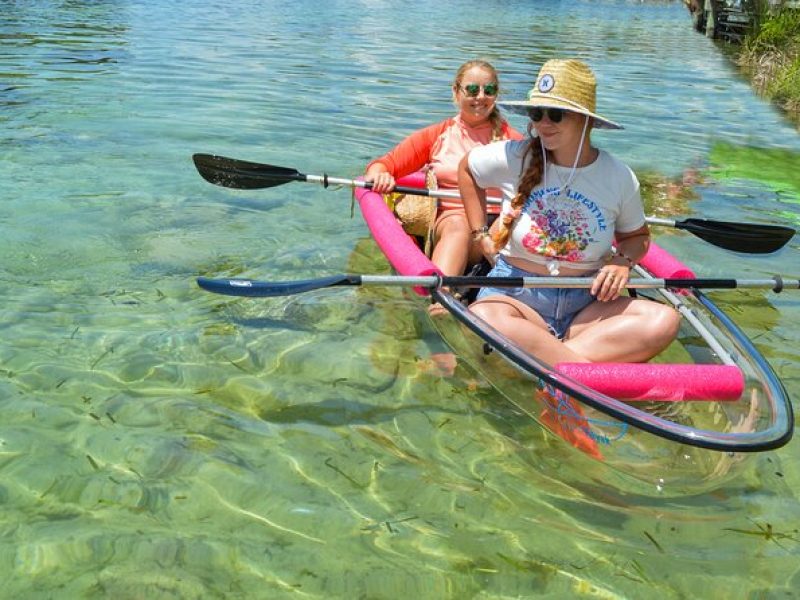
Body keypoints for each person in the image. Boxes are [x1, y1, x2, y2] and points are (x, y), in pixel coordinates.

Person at [458, 58, 681, 367]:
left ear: (585, 120)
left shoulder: (618, 175)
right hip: (517, 297)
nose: (543, 124)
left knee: (665, 320)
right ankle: (580, 375)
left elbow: (638, 237)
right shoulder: (515, 156)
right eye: (537, 114)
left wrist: (622, 261)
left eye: (556, 114)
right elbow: (467, 169)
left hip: (588, 303)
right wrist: (479, 234)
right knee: (484, 316)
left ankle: (548, 362)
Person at [365, 59, 524, 279]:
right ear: (456, 92)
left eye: (488, 90)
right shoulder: (437, 135)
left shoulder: (513, 141)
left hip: (496, 224)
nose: (480, 97)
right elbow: (383, 164)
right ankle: (441, 298)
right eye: (472, 90)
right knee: (458, 226)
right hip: (451, 219)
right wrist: (380, 176)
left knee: (510, 224)